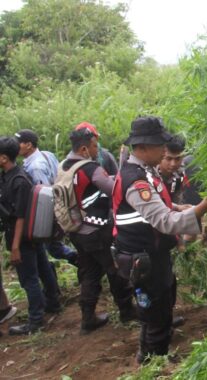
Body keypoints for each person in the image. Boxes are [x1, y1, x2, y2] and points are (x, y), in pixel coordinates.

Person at [112, 117, 207, 364]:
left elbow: (156, 208)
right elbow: (164, 221)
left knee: (159, 305)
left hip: (152, 254)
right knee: (155, 313)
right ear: (144, 147)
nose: (165, 151)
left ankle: (148, 355)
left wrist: (178, 206)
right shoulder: (136, 180)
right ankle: (154, 364)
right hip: (143, 258)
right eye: (161, 146)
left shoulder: (146, 172)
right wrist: (203, 208)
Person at [62, 129, 135, 335]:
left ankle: (88, 318)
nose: (97, 150)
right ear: (84, 149)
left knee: (90, 271)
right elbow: (115, 189)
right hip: (97, 229)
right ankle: (127, 310)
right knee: (115, 268)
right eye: (95, 146)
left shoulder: (65, 166)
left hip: (76, 230)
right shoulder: (90, 168)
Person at [0, 137, 61, 335]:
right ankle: (53, 302)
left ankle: (36, 320)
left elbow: (20, 216)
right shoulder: (12, 175)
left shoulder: (18, 181)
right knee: (43, 267)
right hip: (29, 235)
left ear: (3, 158)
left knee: (29, 279)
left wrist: (15, 246)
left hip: (22, 236)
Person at [15, 129, 78, 266]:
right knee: (52, 246)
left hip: (48, 210)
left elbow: (43, 194)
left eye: (19, 143)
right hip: (61, 203)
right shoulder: (46, 154)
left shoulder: (35, 167)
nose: (16, 146)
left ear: (29, 145)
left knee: (50, 247)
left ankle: (81, 261)